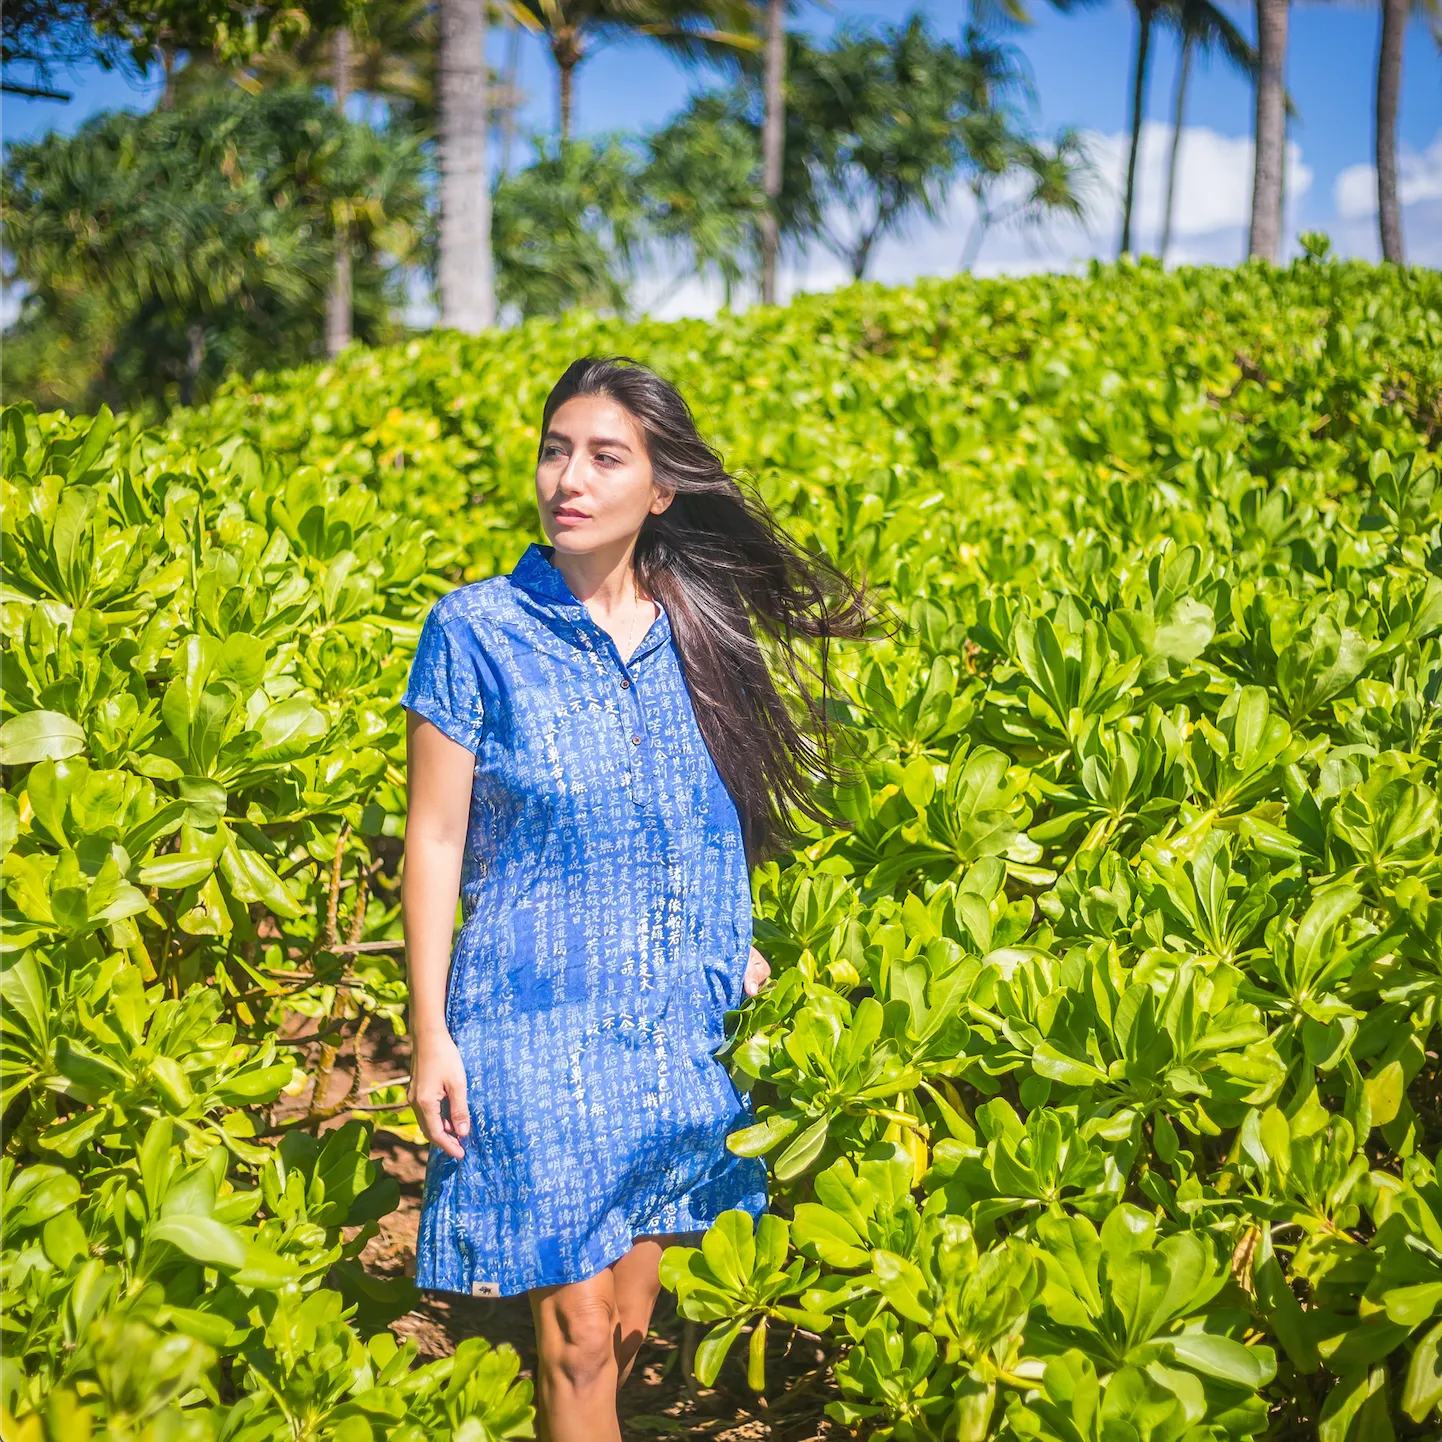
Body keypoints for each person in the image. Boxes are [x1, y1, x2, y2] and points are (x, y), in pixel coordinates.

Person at [400, 354, 883, 1441]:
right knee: (571, 1338)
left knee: (621, 1322)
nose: (567, 476)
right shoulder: (474, 630)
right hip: (530, 1023)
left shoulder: (698, 632)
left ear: (660, 488)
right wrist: (429, 1029)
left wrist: (735, 939)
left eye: (603, 456)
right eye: (553, 449)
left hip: (672, 1020)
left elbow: (720, 806)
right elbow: (431, 839)